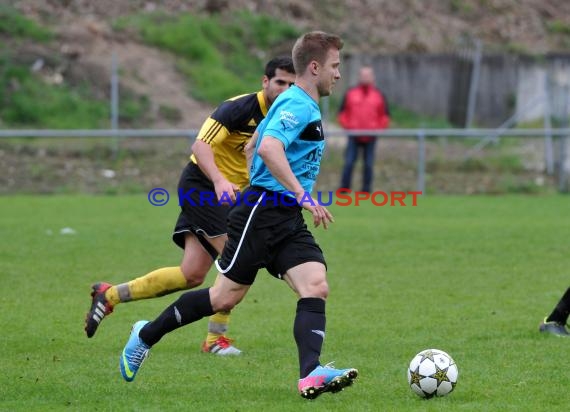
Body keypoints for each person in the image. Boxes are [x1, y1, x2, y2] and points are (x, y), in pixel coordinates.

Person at [119, 31, 358, 400]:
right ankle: (144, 335)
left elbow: (252, 144)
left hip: (285, 216)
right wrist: (300, 193)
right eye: (335, 66)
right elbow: (268, 145)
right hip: (262, 213)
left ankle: (310, 374)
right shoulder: (298, 106)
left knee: (316, 285)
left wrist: (277, 187)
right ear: (315, 67)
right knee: (223, 298)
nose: (338, 74)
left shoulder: (299, 102)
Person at [84, 56, 296, 356]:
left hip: (233, 194)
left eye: (291, 84)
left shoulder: (287, 116)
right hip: (203, 186)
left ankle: (111, 295)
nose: (286, 89)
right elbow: (200, 146)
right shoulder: (238, 108)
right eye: (280, 82)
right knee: (238, 257)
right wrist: (221, 180)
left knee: (192, 274)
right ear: (265, 82)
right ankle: (214, 340)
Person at [338, 65, 390, 193]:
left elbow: (385, 116)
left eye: (368, 75)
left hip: (370, 137)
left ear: (373, 77)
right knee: (349, 162)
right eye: (363, 75)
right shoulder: (350, 93)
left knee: (368, 165)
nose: (365, 77)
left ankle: (366, 191)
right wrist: (348, 126)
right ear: (359, 77)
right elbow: (342, 113)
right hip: (353, 136)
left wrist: (377, 128)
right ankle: (344, 190)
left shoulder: (379, 95)